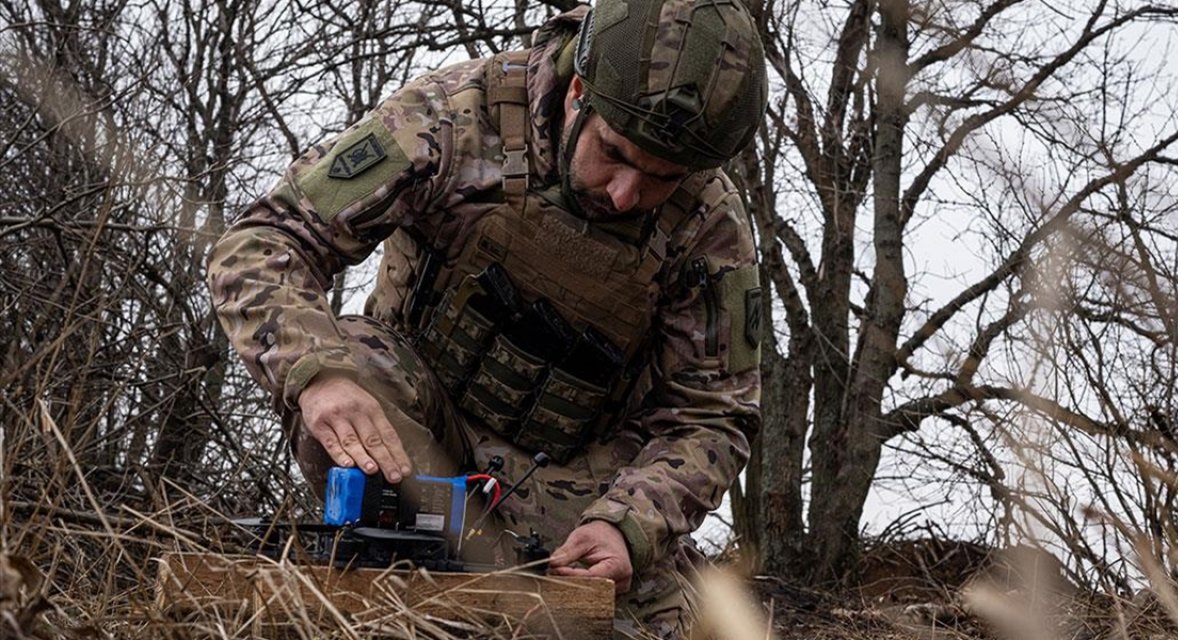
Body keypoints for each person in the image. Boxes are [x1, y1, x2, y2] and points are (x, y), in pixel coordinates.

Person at [207, 0, 765, 636]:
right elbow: (262, 242)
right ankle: (397, 579)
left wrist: (629, 524)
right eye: (614, 152)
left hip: (576, 486)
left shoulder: (709, 226)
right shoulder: (452, 117)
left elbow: (712, 412)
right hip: (419, 429)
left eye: (661, 178)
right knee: (353, 362)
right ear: (578, 91)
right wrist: (317, 375)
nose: (625, 194)